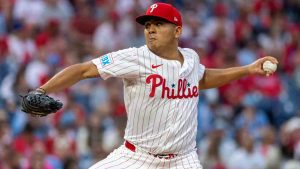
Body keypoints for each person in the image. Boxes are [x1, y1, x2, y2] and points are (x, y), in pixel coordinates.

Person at [35, 3, 278, 169]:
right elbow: (83, 69)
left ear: (177, 31)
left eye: (159, 24)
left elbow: (202, 79)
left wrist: (247, 69)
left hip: (183, 160)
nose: (150, 28)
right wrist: (41, 90)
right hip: (135, 157)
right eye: (148, 24)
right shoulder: (135, 57)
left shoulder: (192, 58)